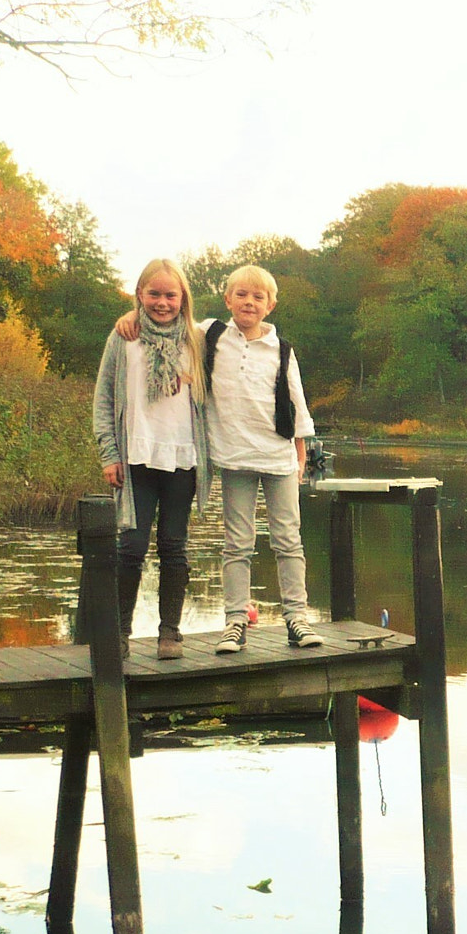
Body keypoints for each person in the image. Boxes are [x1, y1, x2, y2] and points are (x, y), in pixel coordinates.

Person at [122, 263, 320, 652]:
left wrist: (300, 455)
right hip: (232, 457)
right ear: (228, 299)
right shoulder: (209, 334)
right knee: (237, 542)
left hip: (277, 457)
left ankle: (296, 617)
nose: (249, 302)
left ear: (271, 305)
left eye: (258, 297)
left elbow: (296, 403)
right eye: (241, 295)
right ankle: (235, 621)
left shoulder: (282, 349)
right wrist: (130, 314)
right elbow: (167, 319)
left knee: (287, 539)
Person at [93, 258, 210, 660]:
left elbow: (239, 332)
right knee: (131, 547)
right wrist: (109, 454)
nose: (162, 303)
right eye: (154, 294)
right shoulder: (124, 337)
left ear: (183, 298)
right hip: (136, 457)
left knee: (174, 546)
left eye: (170, 295)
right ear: (139, 295)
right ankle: (120, 632)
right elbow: (104, 399)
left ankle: (170, 634)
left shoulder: (198, 339)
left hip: (183, 458)